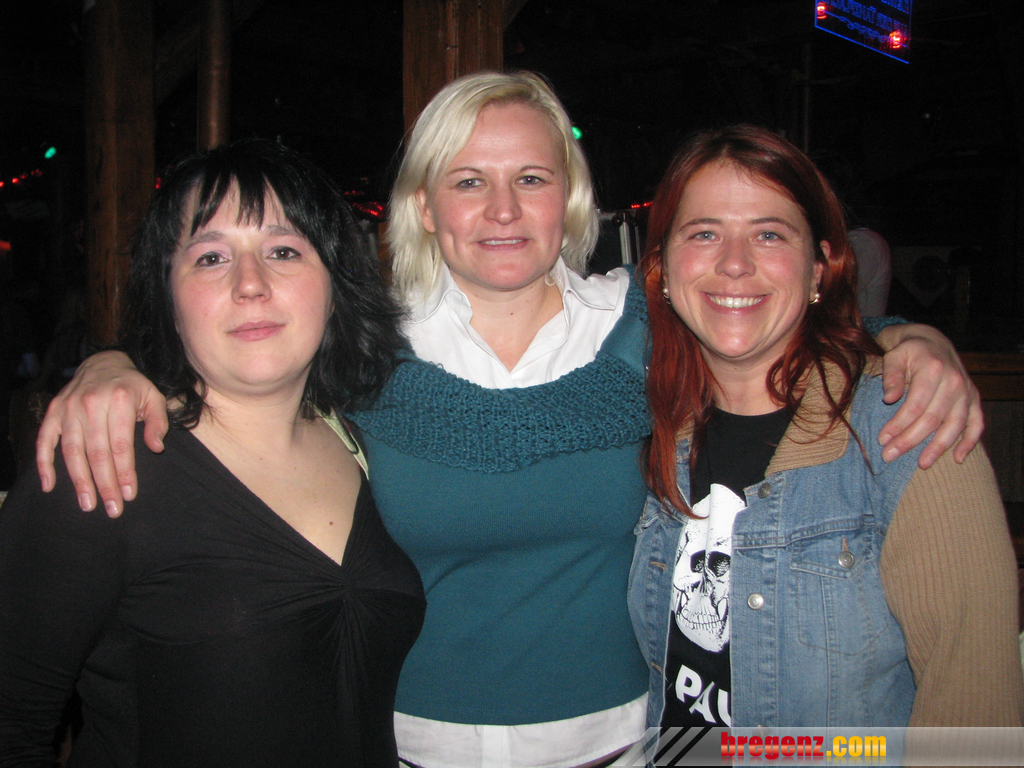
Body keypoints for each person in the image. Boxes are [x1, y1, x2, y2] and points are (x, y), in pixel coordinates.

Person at [35, 74, 984, 768]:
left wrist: (911, 341)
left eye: (531, 178)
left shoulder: (647, 327)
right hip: (407, 746)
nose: (501, 209)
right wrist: (112, 367)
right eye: (468, 180)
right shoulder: (359, 344)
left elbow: (766, 319)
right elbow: (233, 355)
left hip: (624, 744)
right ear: (424, 205)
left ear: (569, 200)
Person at [0, 139, 426, 766]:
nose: (251, 284)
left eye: (283, 251)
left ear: (335, 285)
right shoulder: (104, 466)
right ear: (168, 300)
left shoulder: (362, 442)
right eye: (210, 257)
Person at [629, 125, 1023, 736]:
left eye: (769, 234)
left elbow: (974, 714)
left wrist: (912, 338)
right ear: (661, 268)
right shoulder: (650, 420)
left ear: (819, 271)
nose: (734, 263)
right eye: (704, 233)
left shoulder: (908, 425)